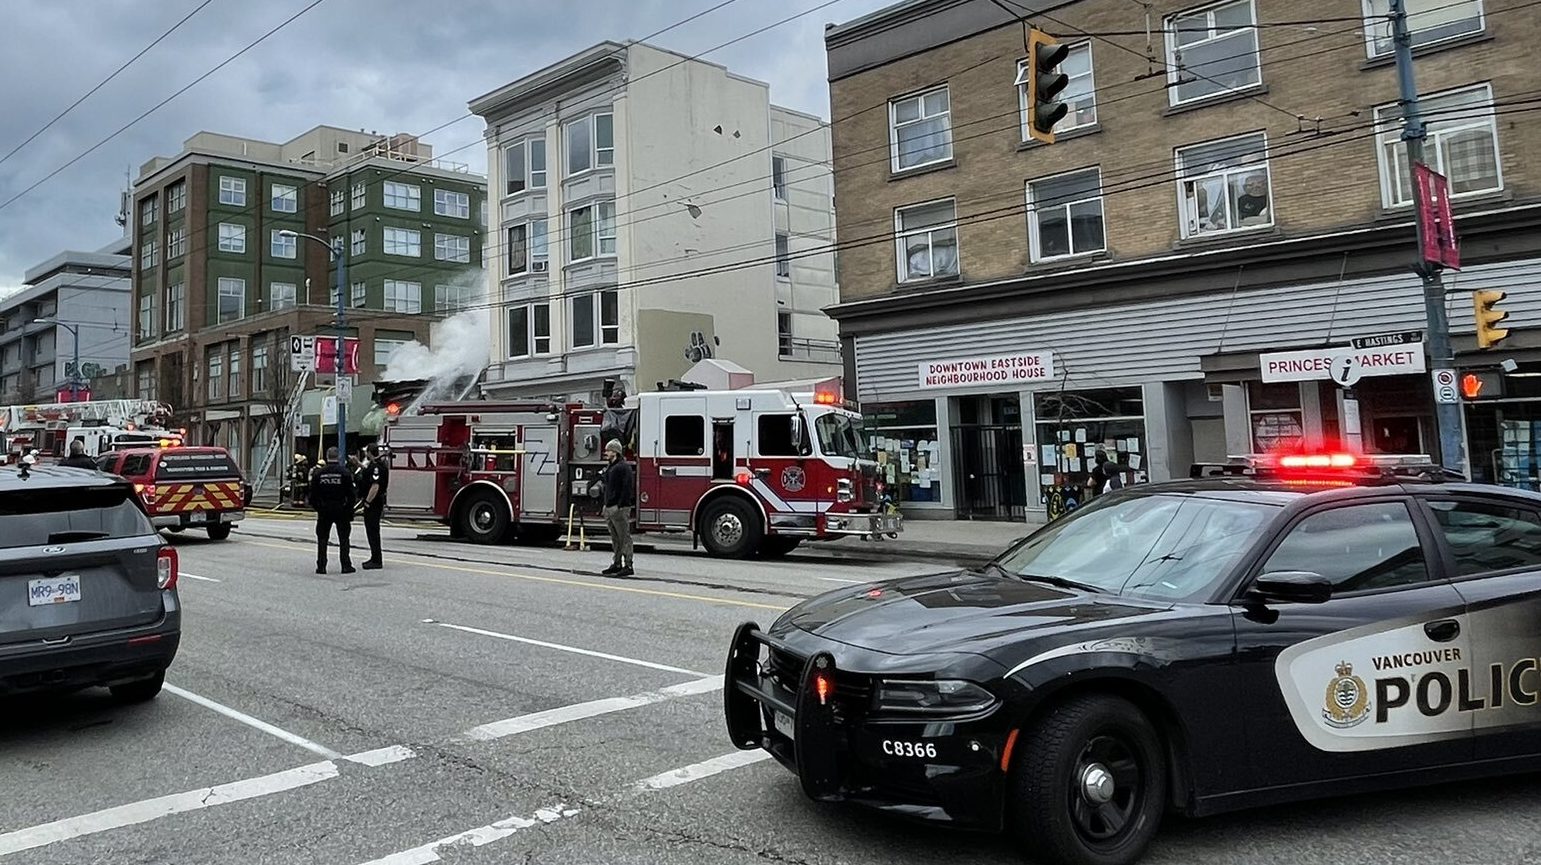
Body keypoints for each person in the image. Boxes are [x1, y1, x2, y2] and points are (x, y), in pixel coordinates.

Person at [308, 447, 356, 575]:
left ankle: (321, 566)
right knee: (344, 538)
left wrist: (319, 508)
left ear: (327, 456)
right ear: (338, 457)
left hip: (324, 510)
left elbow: (312, 495)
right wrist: (348, 509)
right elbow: (351, 494)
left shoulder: (319, 473)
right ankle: (346, 565)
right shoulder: (344, 473)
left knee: (322, 539)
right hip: (341, 509)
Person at [601, 439, 635, 577]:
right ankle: (616, 563)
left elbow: (626, 489)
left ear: (615, 452)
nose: (606, 453)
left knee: (624, 536)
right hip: (610, 507)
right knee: (615, 537)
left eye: (608, 450)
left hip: (619, 508)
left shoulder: (622, 467)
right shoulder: (611, 467)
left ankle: (628, 564)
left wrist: (619, 505)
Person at [358, 443, 390, 570]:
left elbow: (375, 486)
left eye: (366, 452)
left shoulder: (376, 467)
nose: (365, 453)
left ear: (370, 452)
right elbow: (368, 474)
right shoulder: (376, 465)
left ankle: (376, 560)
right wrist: (358, 464)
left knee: (372, 531)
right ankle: (374, 557)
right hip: (375, 502)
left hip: (374, 503)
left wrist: (367, 502)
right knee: (372, 531)